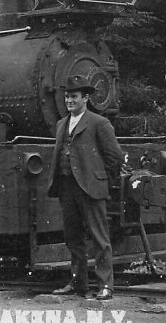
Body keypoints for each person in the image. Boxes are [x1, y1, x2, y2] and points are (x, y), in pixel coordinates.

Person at [48, 75, 123, 300]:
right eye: (67, 96)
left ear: (86, 98)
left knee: (100, 238)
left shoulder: (99, 123)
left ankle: (106, 285)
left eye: (74, 97)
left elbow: (114, 157)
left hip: (91, 187)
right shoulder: (62, 123)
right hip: (67, 187)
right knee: (73, 238)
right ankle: (78, 283)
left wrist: (101, 180)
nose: (69, 101)